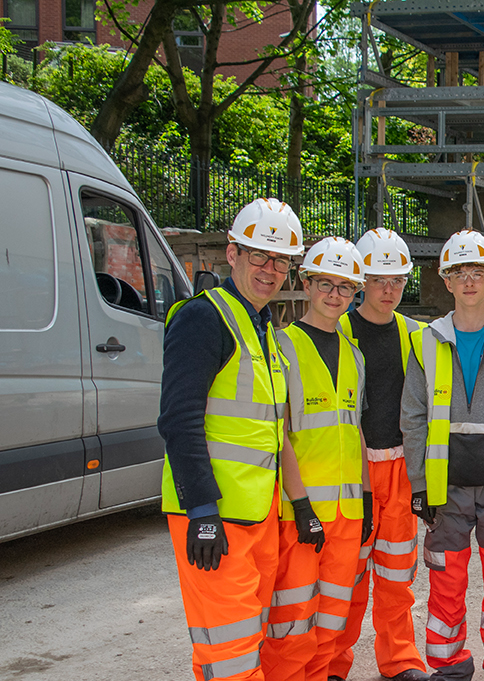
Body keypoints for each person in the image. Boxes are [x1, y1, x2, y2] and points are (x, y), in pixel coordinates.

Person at [159, 197, 300, 681]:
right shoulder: (203, 318)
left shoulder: (260, 325)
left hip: (255, 514)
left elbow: (268, 427)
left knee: (237, 642)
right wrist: (201, 511)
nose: (270, 268)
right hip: (215, 513)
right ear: (232, 253)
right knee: (233, 646)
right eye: (259, 254)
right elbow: (179, 420)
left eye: (280, 259)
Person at [402, 230, 484, 681]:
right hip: (446, 487)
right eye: (459, 271)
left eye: (478, 270)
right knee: (446, 581)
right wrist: (420, 486)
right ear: (445, 280)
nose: (469, 280)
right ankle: (449, 666)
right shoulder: (426, 342)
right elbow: (414, 418)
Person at [263, 236, 371, 681]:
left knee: (332, 618)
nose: (334, 295)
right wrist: (302, 504)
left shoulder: (355, 355)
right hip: (301, 513)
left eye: (345, 287)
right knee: (292, 621)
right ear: (306, 284)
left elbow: (355, 431)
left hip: (346, 516)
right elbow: (280, 434)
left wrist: (365, 497)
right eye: (325, 283)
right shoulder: (282, 346)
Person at [331, 227, 429, 681]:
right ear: (361, 281)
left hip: (402, 469)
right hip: (355, 471)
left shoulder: (417, 335)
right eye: (377, 279)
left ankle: (401, 660)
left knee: (396, 573)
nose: (388, 290)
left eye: (397, 281)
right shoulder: (337, 331)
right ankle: (332, 663)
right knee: (345, 576)